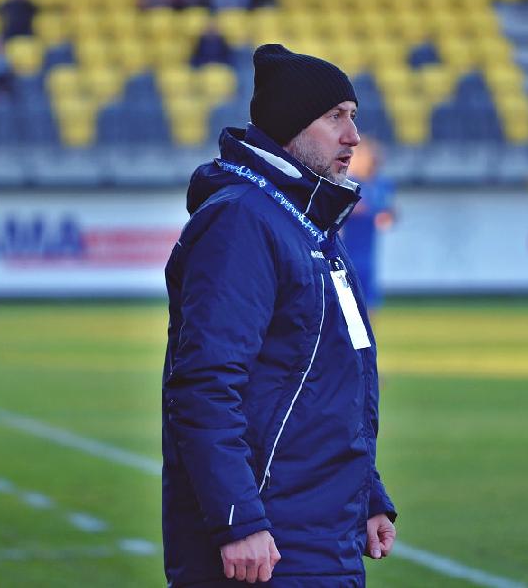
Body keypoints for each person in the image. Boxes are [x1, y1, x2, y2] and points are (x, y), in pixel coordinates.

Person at [162, 44, 397, 587]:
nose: (353, 136)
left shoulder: (310, 223)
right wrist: (237, 520)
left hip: (323, 532)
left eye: (354, 116)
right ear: (291, 125)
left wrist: (367, 493)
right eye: (335, 117)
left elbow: (323, 388)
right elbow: (205, 385)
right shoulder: (242, 221)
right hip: (268, 544)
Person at [341, 137, 396, 313]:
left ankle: (368, 330)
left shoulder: (383, 184)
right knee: (345, 298)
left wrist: (387, 216)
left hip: (368, 251)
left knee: (369, 300)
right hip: (346, 249)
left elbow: (388, 212)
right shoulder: (347, 183)